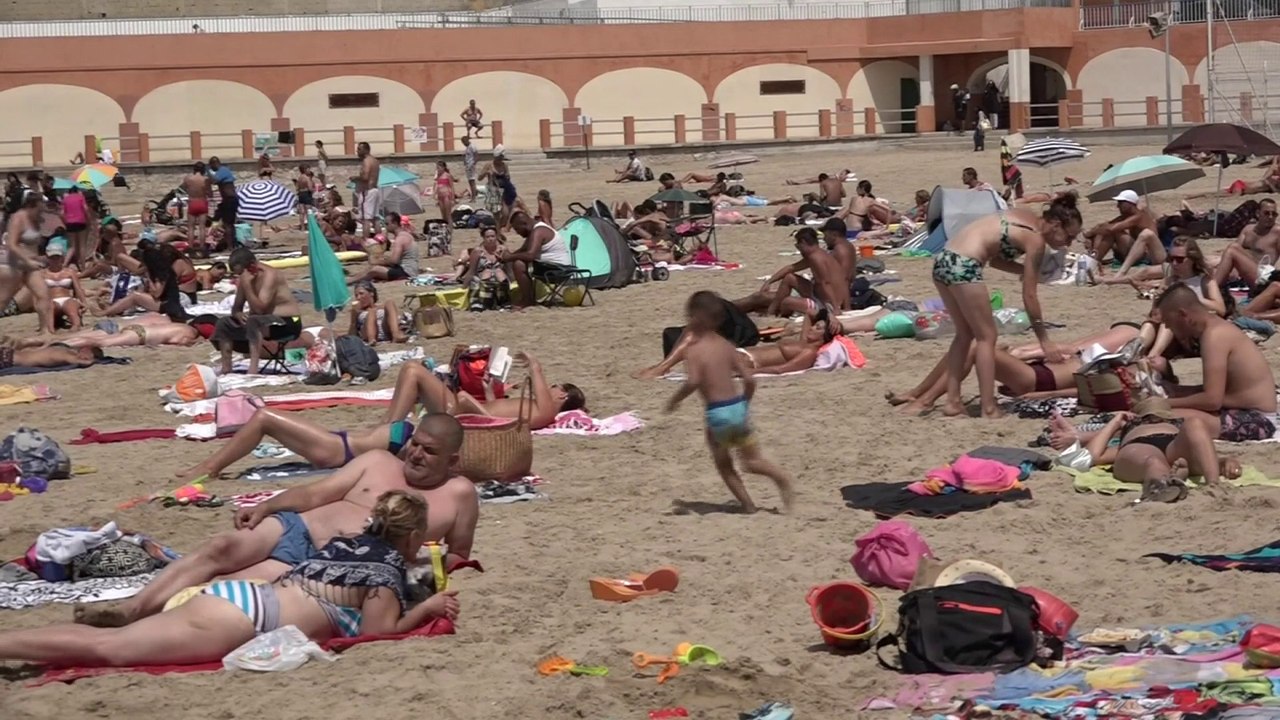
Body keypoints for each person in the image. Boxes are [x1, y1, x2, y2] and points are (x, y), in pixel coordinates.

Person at [76, 414, 477, 629]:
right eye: (415, 444)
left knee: (223, 589)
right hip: (298, 528)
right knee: (221, 548)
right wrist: (269, 505)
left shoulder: (458, 495)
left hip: (322, 566)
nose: (416, 454)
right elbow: (315, 494)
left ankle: (141, 628)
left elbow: (458, 555)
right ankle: (130, 609)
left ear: (452, 460)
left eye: (429, 451)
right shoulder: (378, 461)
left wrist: (424, 566)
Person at [10, 490, 464, 667]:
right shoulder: (384, 573)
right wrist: (423, 608)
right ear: (413, 537)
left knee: (115, 641)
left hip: (240, 597)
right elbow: (374, 635)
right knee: (105, 650)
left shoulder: (346, 545)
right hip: (246, 618)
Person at [930, 193, 1081, 418]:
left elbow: (996, 260)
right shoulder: (1037, 240)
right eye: (1069, 237)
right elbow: (1029, 296)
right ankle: (988, 407)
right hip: (965, 265)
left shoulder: (1024, 217)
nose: (1067, 244)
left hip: (944, 259)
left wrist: (1026, 272)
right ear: (1056, 225)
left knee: (964, 335)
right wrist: (1044, 340)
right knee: (987, 338)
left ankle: (952, 401)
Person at [664, 291, 795, 514]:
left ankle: (748, 505)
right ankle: (779, 477)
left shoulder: (694, 349)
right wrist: (745, 402)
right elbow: (749, 379)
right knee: (752, 461)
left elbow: (694, 381)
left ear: (693, 317)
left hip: (717, 413)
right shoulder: (726, 345)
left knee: (724, 464)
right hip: (738, 407)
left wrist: (675, 400)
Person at [1157, 284, 1278, 442]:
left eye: (1168, 321)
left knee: (1158, 415)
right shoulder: (1215, 328)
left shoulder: (1214, 337)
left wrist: (1165, 403)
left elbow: (1212, 400)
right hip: (1246, 411)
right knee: (1160, 412)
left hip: (1258, 420)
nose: (1167, 326)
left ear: (1183, 315)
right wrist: (1178, 390)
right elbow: (1222, 392)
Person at [177, 405, 417, 481]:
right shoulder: (424, 430)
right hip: (339, 442)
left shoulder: (420, 443)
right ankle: (212, 467)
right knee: (266, 417)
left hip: (337, 450)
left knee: (264, 417)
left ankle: (211, 468)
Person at [1069, 398, 1240, 500]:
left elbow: (1200, 446)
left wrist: (1224, 460)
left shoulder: (1178, 423)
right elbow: (1091, 456)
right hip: (1142, 444)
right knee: (1153, 462)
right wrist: (1114, 423)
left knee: (1195, 423)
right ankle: (1165, 485)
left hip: (1174, 445)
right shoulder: (1129, 426)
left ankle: (1213, 485)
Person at [381, 352, 585, 431]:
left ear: (562, 395)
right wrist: (489, 393)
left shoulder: (546, 411)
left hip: (465, 415)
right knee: (412, 369)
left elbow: (496, 421)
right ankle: (387, 427)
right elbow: (501, 411)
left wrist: (534, 363)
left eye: (555, 386)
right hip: (468, 412)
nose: (550, 387)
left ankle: (388, 430)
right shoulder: (537, 409)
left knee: (414, 370)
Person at [211, 247, 303, 375]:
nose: (239, 278)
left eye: (241, 273)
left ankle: (253, 369)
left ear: (252, 266)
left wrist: (247, 285)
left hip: (288, 322)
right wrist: (238, 315)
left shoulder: (270, 275)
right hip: (262, 322)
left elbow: (260, 309)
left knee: (254, 322)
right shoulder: (245, 278)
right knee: (223, 323)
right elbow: (237, 308)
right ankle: (226, 367)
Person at [734, 227, 848, 317]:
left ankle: (735, 307)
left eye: (798, 245)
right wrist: (769, 281)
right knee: (787, 279)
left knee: (778, 301)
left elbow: (825, 283)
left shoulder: (816, 258)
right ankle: (769, 310)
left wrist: (836, 308)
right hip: (824, 297)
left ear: (803, 242)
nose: (797, 247)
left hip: (827, 303)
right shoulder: (819, 254)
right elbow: (791, 268)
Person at [0, 191, 54, 336]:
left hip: (30, 266)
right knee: (3, 300)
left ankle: (45, 330)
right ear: (34, 204)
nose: (45, 206)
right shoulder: (18, 218)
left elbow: (32, 245)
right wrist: (28, 260)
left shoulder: (37, 219)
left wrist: (38, 258)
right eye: (42, 203)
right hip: (13, 264)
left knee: (43, 294)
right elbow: (12, 244)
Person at [502, 210, 572, 308]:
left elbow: (530, 255)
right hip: (550, 266)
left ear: (524, 224)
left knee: (519, 264)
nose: (518, 233)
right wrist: (503, 257)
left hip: (557, 269)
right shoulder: (534, 231)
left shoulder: (539, 231)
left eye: (517, 229)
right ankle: (526, 297)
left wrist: (510, 257)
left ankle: (527, 300)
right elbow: (522, 251)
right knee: (517, 259)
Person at [1085, 189, 1162, 275]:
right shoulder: (1127, 216)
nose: (1118, 206)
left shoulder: (1138, 216)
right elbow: (1104, 226)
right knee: (1105, 231)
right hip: (1136, 252)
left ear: (1130, 203)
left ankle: (1092, 262)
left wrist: (1089, 234)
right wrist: (1092, 237)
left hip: (1146, 256)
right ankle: (1093, 259)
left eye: (1121, 203)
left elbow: (1111, 229)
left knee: (1114, 232)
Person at [1211, 198, 1280, 288]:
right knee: (1208, 263)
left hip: (1262, 275)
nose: (1270, 217)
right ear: (1258, 213)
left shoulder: (1277, 232)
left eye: (1274, 214)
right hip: (1242, 272)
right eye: (1266, 213)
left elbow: (1233, 251)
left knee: (1232, 249)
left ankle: (1213, 289)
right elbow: (1235, 253)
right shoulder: (1248, 229)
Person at [347, 212, 419, 284]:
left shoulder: (400, 239)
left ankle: (349, 281)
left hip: (406, 272)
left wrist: (378, 261)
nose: (386, 227)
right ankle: (352, 279)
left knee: (374, 270)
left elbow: (394, 261)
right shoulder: (406, 235)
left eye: (387, 224)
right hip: (409, 270)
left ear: (394, 223)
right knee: (374, 268)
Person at [40, 237, 88, 332]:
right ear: (47, 257)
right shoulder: (42, 273)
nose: (55, 260)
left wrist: (84, 302)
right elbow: (37, 293)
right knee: (50, 306)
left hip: (67, 298)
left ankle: (75, 326)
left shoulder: (70, 272)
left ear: (62, 257)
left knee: (71, 308)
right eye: (52, 257)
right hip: (51, 300)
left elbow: (78, 289)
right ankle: (51, 330)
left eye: (57, 257)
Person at [458, 226, 510, 310]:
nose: (490, 239)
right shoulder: (478, 252)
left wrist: (514, 282)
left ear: (496, 236)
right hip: (482, 281)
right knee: (486, 274)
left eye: (492, 236)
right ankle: (483, 302)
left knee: (499, 272)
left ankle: (502, 302)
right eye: (487, 237)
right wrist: (463, 287)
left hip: (499, 282)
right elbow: (472, 271)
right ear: (483, 238)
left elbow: (509, 269)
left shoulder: (502, 250)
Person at [348, 280, 408, 345]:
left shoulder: (381, 307)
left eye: (361, 293)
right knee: (371, 312)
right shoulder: (358, 311)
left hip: (385, 329)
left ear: (371, 293)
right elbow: (352, 336)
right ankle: (372, 340)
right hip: (366, 332)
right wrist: (353, 318)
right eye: (356, 295)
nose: (358, 298)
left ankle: (396, 335)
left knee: (389, 303)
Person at [478, 146, 517, 229]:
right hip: (493, 191)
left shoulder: (504, 165)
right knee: (497, 214)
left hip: (504, 190)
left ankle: (497, 229)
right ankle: (497, 231)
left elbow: (508, 177)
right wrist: (486, 173)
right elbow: (479, 178)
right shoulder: (489, 165)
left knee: (506, 213)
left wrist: (506, 177)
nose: (500, 160)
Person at [820, 217, 857, 295]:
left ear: (834, 234)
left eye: (825, 235)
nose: (824, 239)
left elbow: (845, 277)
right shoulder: (847, 245)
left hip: (837, 294)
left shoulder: (840, 249)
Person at [182, 162, 213, 252]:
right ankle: (202, 246)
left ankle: (191, 246)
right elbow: (210, 194)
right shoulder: (205, 179)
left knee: (191, 227)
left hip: (192, 202)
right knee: (202, 227)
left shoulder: (188, 179)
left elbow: (183, 188)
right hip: (202, 202)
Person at [354, 141, 382, 239]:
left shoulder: (366, 161)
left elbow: (365, 177)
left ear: (366, 150)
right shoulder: (375, 161)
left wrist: (355, 178)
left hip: (367, 192)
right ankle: (380, 240)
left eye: (359, 149)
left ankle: (366, 241)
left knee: (366, 219)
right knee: (376, 218)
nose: (357, 151)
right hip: (375, 190)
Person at [60, 185, 92, 265]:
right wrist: (89, 220)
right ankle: (83, 265)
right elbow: (86, 209)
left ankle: (64, 264)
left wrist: (65, 222)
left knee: (72, 246)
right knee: (82, 245)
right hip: (81, 221)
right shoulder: (80, 197)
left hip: (69, 223)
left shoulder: (65, 199)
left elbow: (61, 213)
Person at [433, 161, 458, 228]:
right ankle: (445, 228)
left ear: (443, 167)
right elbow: (436, 185)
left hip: (447, 195)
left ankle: (450, 227)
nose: (438, 169)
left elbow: (452, 186)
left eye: (439, 168)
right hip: (440, 196)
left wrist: (453, 198)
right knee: (443, 214)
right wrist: (435, 194)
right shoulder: (438, 176)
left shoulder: (447, 175)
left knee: (448, 214)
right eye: (437, 168)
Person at [295, 164, 316, 230]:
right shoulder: (307, 178)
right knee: (308, 211)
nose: (309, 170)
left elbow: (297, 188)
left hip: (300, 194)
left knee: (301, 212)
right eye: (308, 169)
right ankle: (309, 226)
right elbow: (310, 188)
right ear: (304, 170)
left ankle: (302, 227)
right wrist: (314, 190)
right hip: (306, 194)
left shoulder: (300, 178)